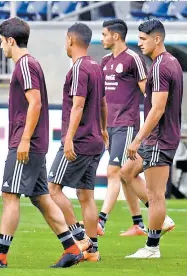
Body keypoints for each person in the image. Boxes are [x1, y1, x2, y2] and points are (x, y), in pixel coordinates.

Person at [0, 17, 83, 269]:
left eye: (1, 42)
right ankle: (72, 248)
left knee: (9, 195)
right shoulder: (30, 64)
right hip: (34, 143)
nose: (1, 47)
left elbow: (36, 102)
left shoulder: (25, 65)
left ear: (10, 40)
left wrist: (24, 140)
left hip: (27, 143)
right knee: (41, 197)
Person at [48, 22, 107, 262]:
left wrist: (69, 138)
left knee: (53, 187)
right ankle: (92, 251)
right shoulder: (96, 66)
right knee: (86, 195)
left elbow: (78, 105)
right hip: (95, 141)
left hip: (80, 140)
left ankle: (79, 235)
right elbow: (103, 103)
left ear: (71, 40)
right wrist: (103, 129)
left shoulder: (78, 69)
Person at [125, 19, 183, 259]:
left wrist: (138, 138)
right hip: (160, 137)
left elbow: (157, 109)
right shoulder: (171, 61)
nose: (139, 43)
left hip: (159, 138)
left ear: (156, 39)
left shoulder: (160, 67)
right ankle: (162, 220)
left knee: (155, 194)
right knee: (126, 173)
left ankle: (152, 247)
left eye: (143, 39)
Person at [98, 19, 148, 236]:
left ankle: (100, 222)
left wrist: (149, 126)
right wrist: (101, 127)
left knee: (113, 172)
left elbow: (149, 94)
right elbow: (101, 98)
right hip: (110, 126)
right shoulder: (105, 61)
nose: (102, 38)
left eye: (104, 34)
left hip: (127, 124)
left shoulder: (133, 59)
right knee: (127, 175)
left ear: (115, 36)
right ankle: (140, 222)